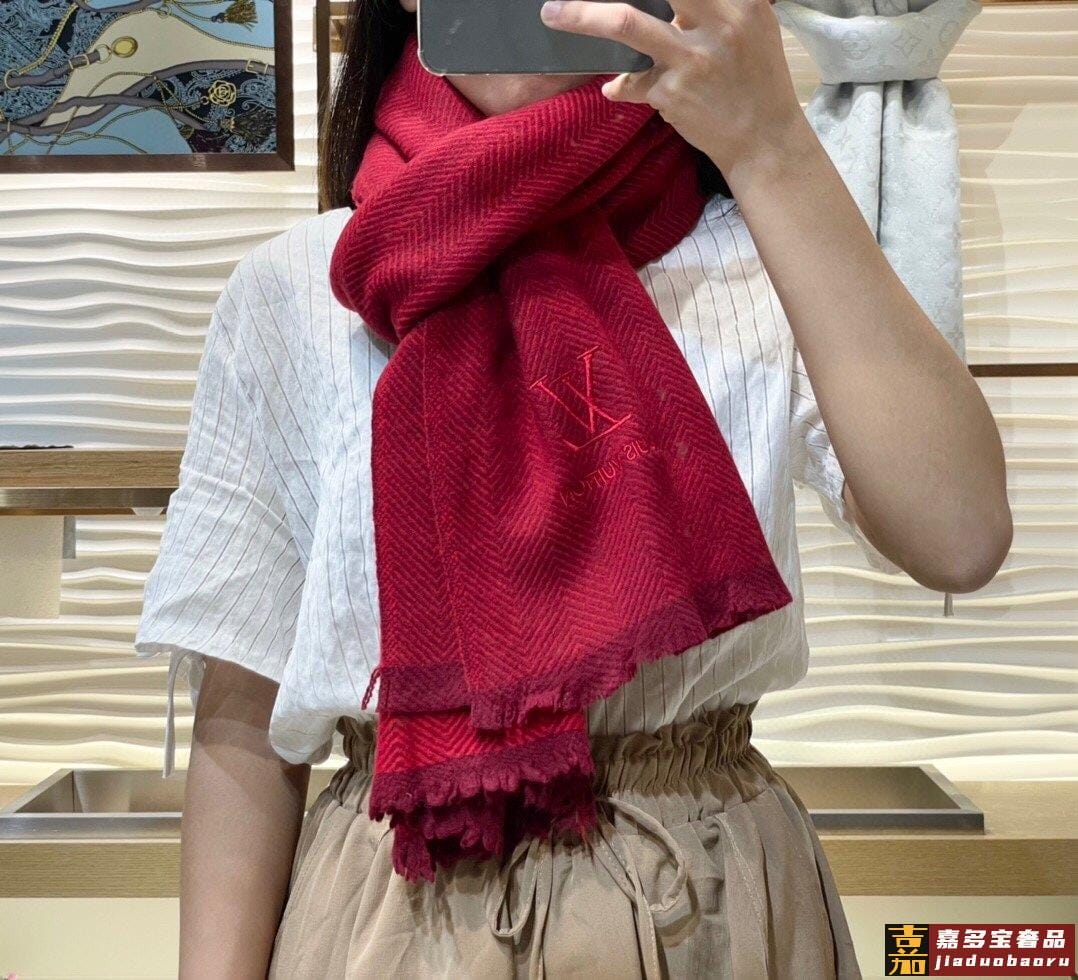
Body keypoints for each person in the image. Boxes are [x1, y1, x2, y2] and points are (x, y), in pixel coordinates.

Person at [134, 0, 1012, 975]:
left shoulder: (768, 246)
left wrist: (772, 144)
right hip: (392, 916)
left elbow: (959, 535)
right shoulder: (295, 288)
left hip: (710, 905)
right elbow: (245, 712)